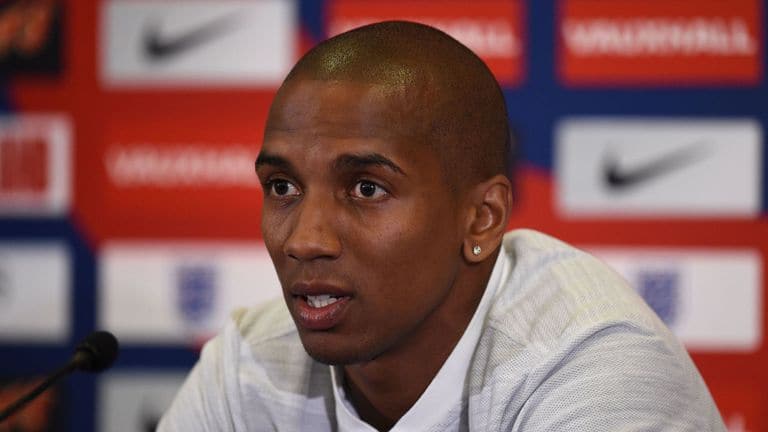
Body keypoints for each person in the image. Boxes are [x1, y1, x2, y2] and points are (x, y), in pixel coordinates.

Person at [158, 21, 726, 431]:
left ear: (482, 218)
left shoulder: (597, 373)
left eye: (366, 189)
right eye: (283, 187)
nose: (304, 240)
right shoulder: (250, 363)